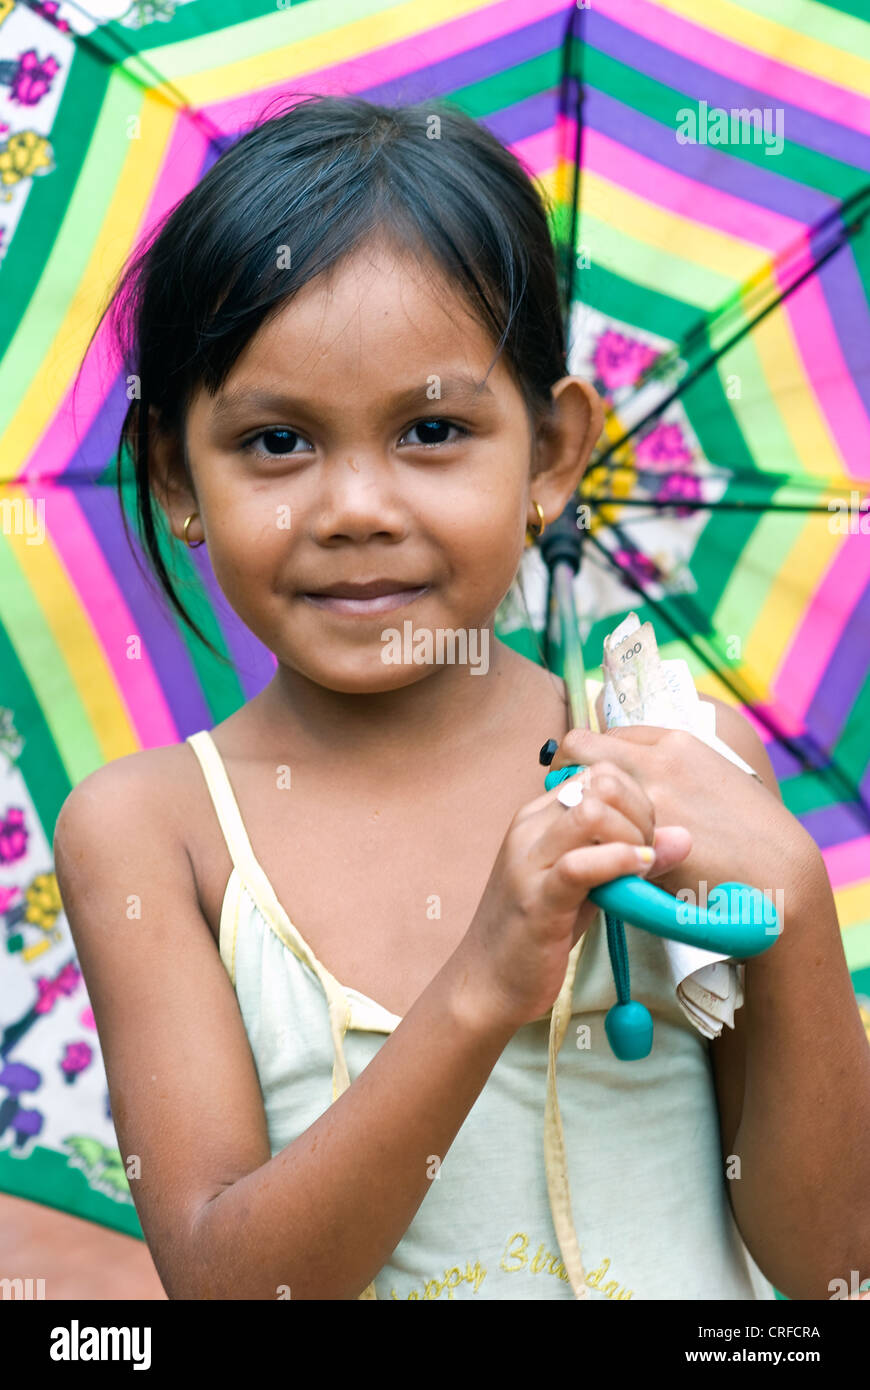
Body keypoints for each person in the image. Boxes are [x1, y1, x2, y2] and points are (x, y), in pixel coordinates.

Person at [53, 95, 870, 1302]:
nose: (356, 507)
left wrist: (792, 908)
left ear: (548, 456)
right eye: (277, 443)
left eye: (432, 428)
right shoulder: (153, 832)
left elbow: (837, 1266)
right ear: (178, 472)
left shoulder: (675, 762)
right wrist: (486, 979)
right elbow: (229, 1284)